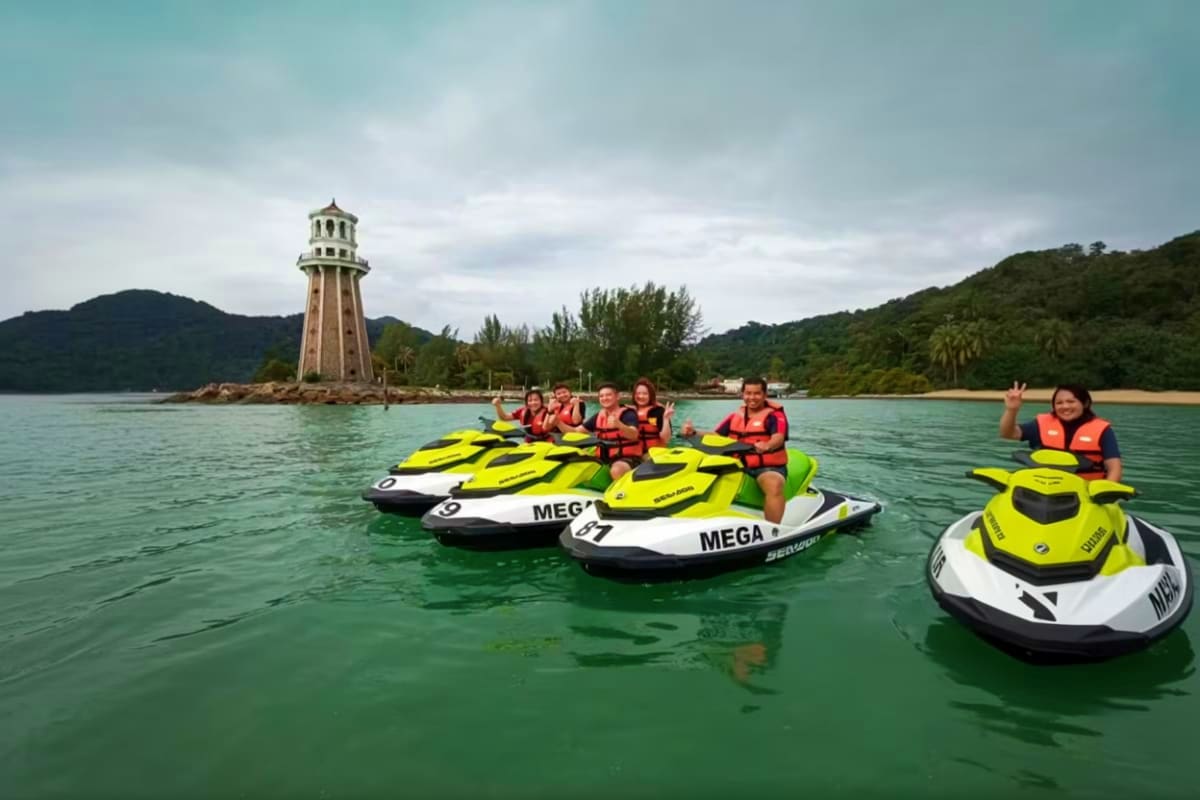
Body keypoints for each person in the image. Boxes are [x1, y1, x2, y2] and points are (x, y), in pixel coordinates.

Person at [680, 377, 789, 524]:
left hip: (766, 466)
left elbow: (779, 437)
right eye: (748, 393)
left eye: (757, 393)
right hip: (738, 464)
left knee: (773, 485)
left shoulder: (775, 416)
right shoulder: (735, 416)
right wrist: (693, 432)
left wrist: (767, 445)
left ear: (764, 395)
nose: (752, 397)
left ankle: (774, 528)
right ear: (742, 394)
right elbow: (717, 436)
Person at [1000, 382, 1122, 481]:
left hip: (1086, 494)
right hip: (1043, 489)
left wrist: (1103, 493)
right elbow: (1008, 434)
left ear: (1085, 403)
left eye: (1071, 401)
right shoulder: (1041, 424)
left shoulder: (1102, 430)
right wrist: (1011, 410)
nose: (1065, 407)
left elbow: (1114, 468)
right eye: (1059, 403)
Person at [549, 382, 643, 479]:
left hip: (627, 457)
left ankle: (621, 493)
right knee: (577, 466)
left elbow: (634, 434)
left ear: (617, 397)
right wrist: (559, 423)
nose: (604, 398)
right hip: (603, 457)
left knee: (616, 471)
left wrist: (620, 425)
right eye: (601, 396)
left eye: (608, 395)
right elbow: (576, 431)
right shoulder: (599, 416)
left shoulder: (628, 414)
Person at [630, 377, 675, 454]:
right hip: (634, 453)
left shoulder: (658, 411)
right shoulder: (629, 412)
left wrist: (666, 419)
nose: (641, 396)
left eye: (645, 394)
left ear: (651, 395)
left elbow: (666, 439)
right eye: (638, 393)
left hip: (655, 454)